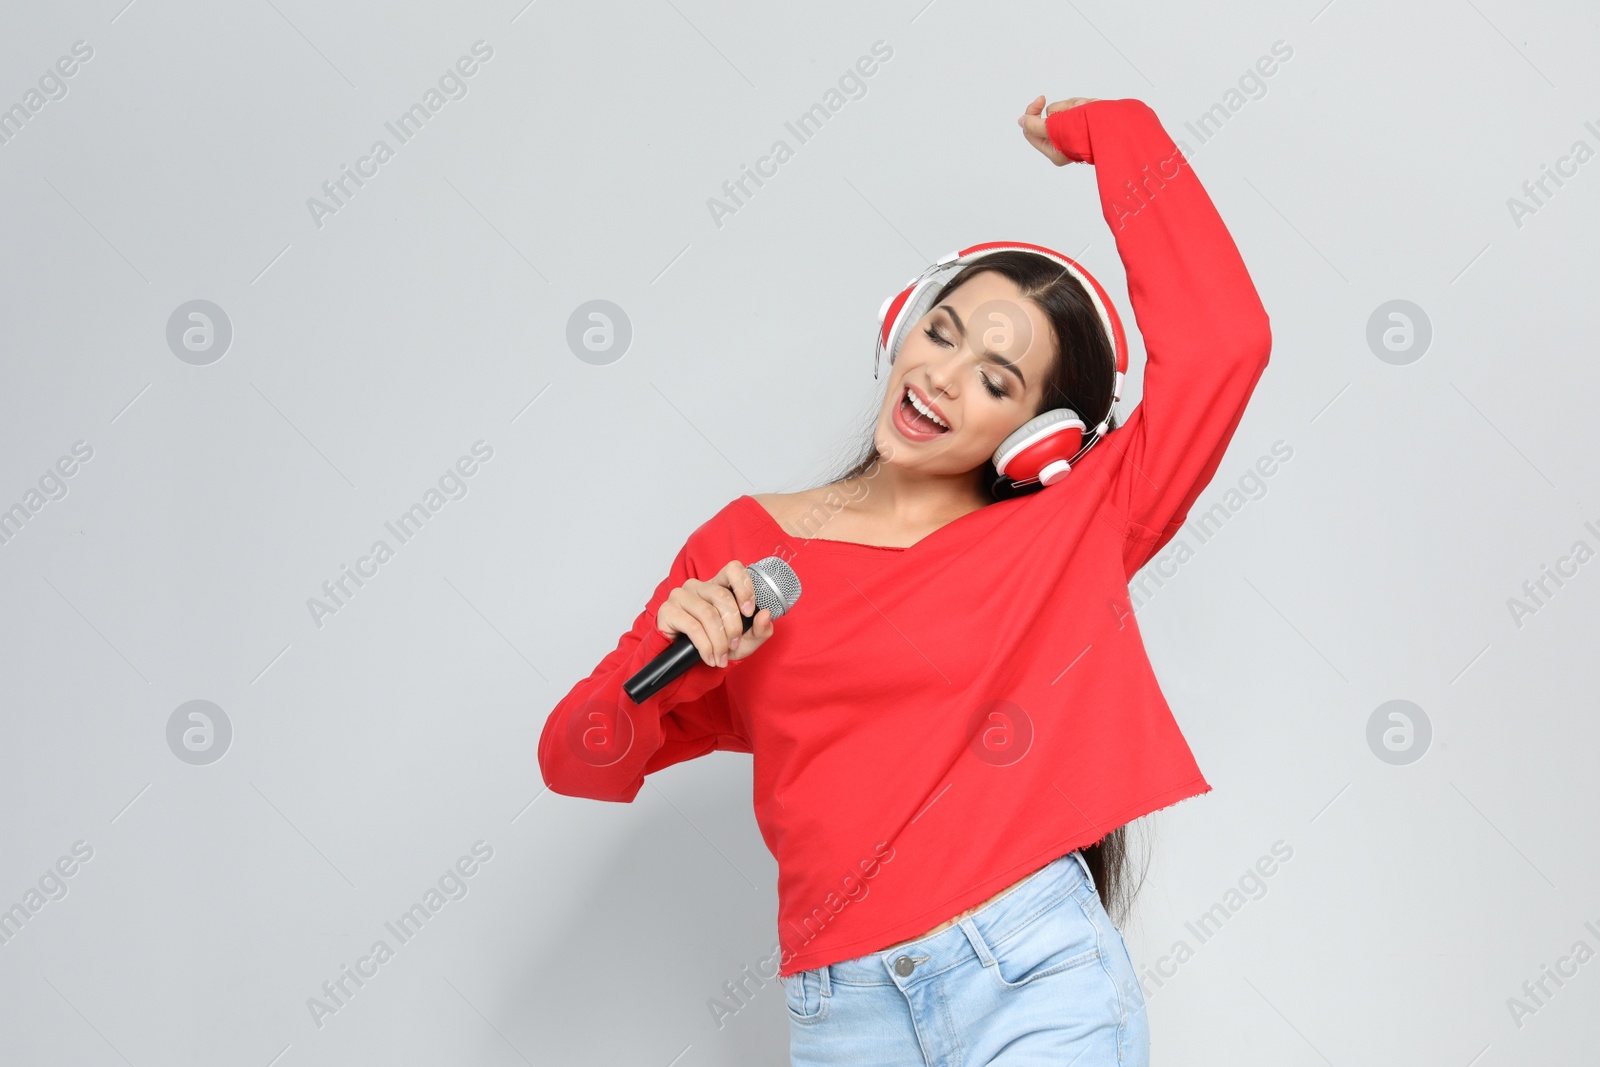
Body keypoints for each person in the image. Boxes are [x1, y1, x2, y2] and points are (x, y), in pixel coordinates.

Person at [538, 93, 1272, 1066]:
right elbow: (577, 758)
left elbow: (1226, 343)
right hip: (843, 1015)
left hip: (1035, 984)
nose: (943, 374)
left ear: (1035, 438)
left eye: (998, 378)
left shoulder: (1073, 528)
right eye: (944, 331)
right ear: (901, 323)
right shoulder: (745, 545)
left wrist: (1109, 131)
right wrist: (683, 664)